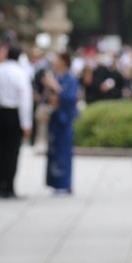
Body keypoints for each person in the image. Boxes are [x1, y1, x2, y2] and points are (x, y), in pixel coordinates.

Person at [0, 45, 34, 198]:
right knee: (12, 153)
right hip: (13, 114)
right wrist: (26, 124)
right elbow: (25, 100)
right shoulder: (20, 73)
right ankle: (8, 187)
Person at [43, 52, 80, 194]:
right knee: (54, 151)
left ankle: (65, 184)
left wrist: (56, 87)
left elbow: (70, 98)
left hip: (65, 119)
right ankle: (55, 183)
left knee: (64, 152)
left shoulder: (70, 79)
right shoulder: (56, 76)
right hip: (55, 118)